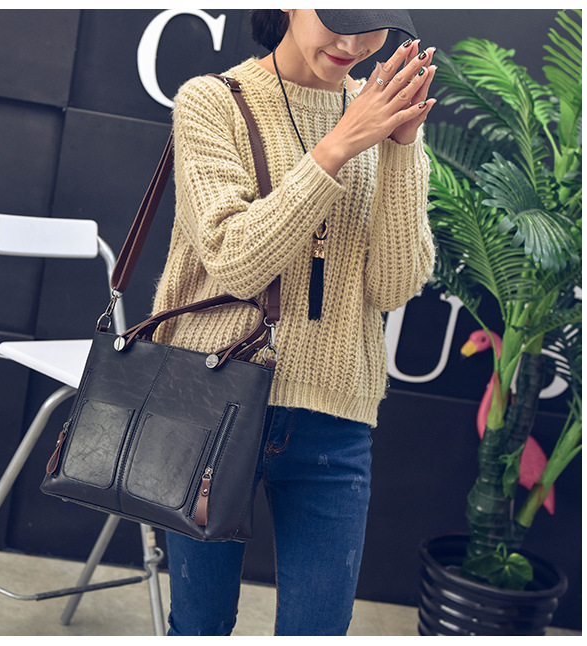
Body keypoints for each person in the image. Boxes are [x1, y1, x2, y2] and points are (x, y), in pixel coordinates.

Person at [150, 9, 436, 636]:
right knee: (200, 625)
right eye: (335, 16)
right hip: (211, 404)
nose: (352, 43)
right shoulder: (212, 101)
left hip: (334, 419)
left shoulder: (381, 115)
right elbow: (236, 262)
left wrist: (400, 148)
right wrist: (336, 148)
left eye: (371, 23)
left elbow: (394, 286)